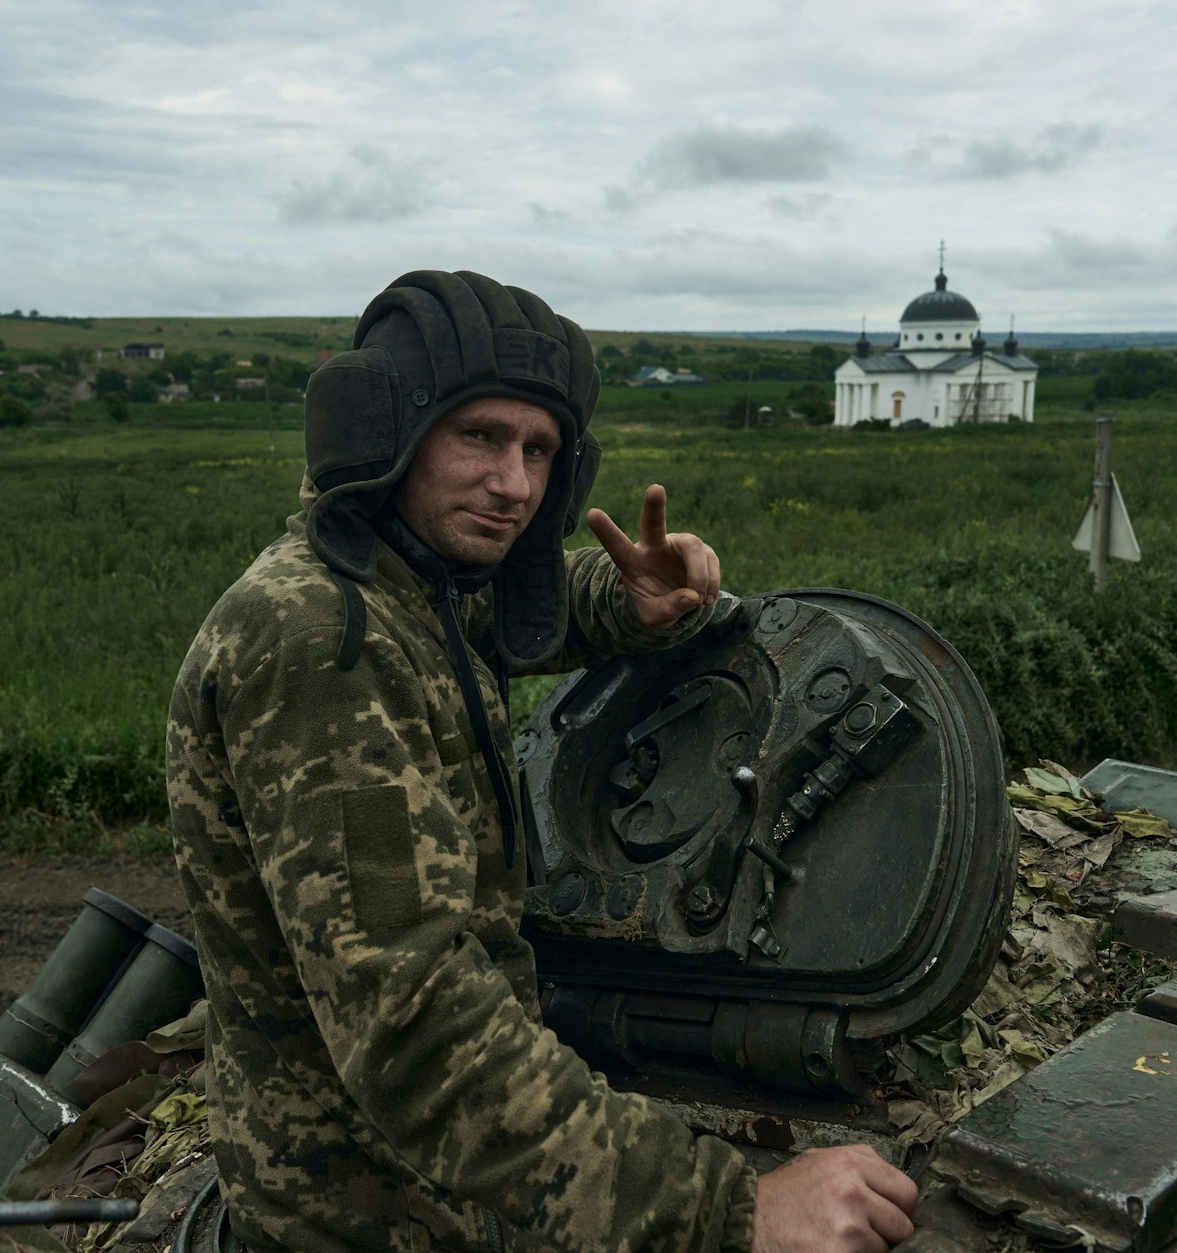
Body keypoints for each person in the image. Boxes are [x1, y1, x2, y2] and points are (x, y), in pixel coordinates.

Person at [167, 271, 918, 1251]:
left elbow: (475, 610)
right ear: (387, 429)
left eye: (538, 449)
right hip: (371, 1212)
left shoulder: (389, 579)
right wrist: (733, 1207)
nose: (513, 483)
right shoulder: (323, 647)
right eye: (478, 435)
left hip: (420, 1179)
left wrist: (621, 601)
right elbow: (415, 1025)